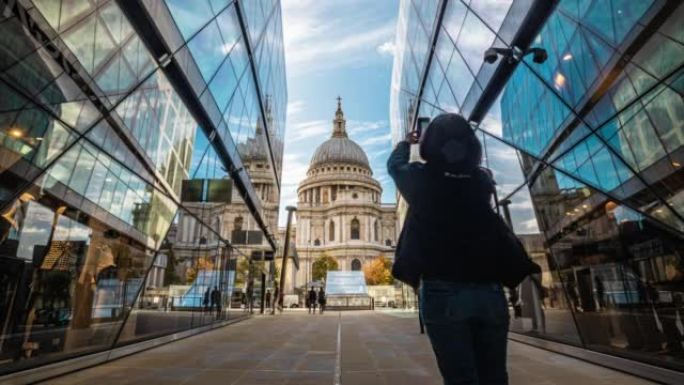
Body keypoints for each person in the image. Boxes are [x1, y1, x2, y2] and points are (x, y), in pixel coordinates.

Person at [388, 113, 509, 385]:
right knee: (495, 376)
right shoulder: (481, 182)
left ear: (430, 145)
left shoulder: (421, 181)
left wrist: (408, 144)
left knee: (460, 377)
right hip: (489, 289)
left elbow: (395, 166)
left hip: (442, 289)